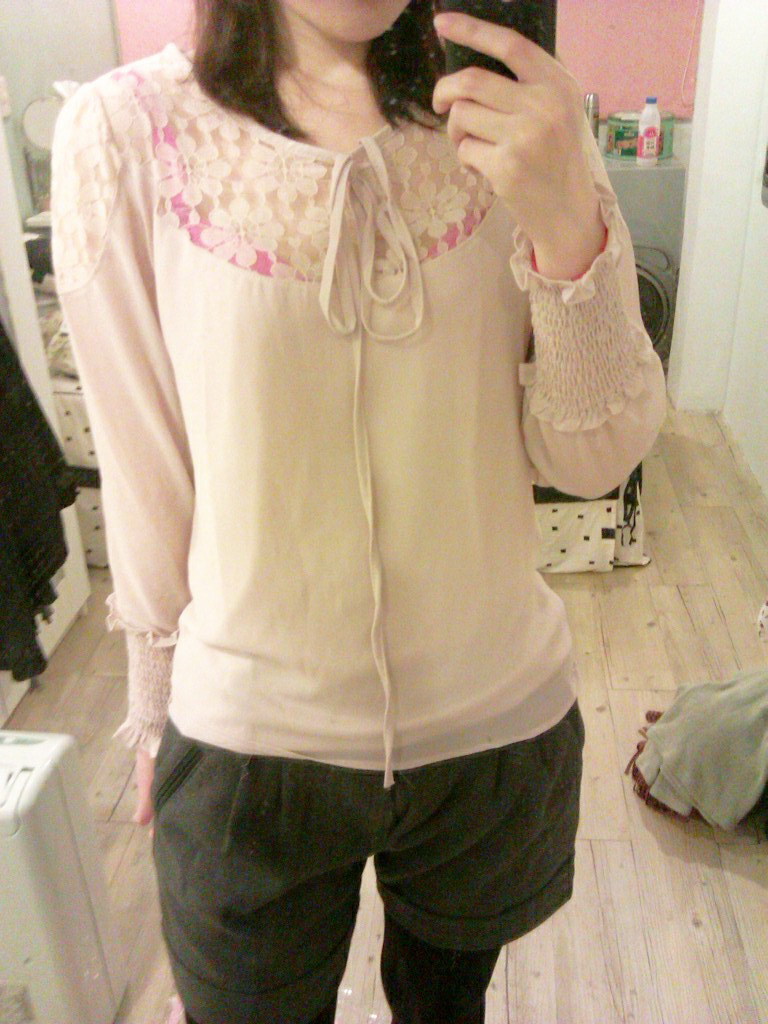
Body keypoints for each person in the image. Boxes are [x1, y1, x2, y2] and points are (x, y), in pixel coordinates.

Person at [51, 2, 667, 1022]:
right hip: (251, 738)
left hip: (492, 726)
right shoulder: (128, 133)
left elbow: (593, 456)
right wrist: (155, 709)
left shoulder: (521, 119)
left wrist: (567, 219)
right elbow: (145, 463)